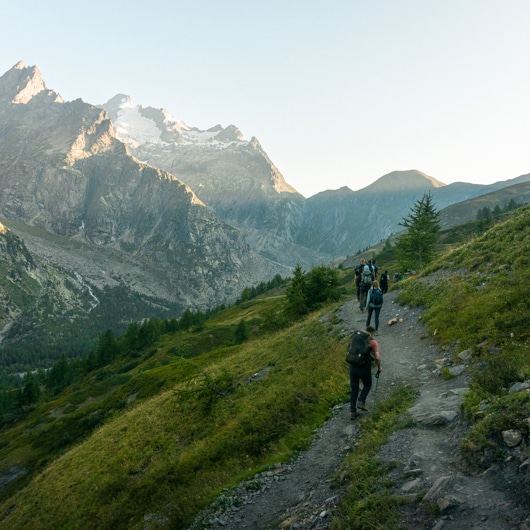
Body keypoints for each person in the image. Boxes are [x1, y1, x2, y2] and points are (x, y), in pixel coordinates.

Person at [349, 326, 382, 419]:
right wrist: (379, 367)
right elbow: (377, 357)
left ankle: (352, 412)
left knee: (354, 389)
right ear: (372, 332)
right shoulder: (373, 342)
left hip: (352, 366)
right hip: (364, 367)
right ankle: (361, 401)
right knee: (367, 385)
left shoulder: (355, 337)